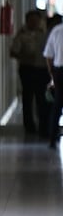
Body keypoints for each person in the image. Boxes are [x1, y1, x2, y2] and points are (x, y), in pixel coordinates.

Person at [9, 9, 50, 137]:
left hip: (42, 69)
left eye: (36, 20)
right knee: (27, 96)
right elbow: (13, 52)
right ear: (27, 21)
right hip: (27, 69)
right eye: (31, 20)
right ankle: (29, 126)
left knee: (42, 98)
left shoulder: (45, 33)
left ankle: (43, 125)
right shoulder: (22, 35)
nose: (34, 23)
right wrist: (24, 56)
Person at [44, 17, 63, 147]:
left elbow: (48, 54)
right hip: (59, 71)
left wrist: (52, 73)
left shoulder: (57, 30)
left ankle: (52, 138)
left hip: (59, 71)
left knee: (57, 104)